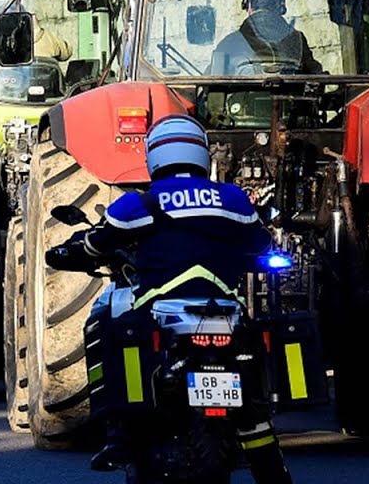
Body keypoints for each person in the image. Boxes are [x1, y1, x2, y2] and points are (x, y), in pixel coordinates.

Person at [46, 115, 292, 483]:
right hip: (226, 311)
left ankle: (118, 432)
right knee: (255, 412)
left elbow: (97, 243)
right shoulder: (233, 199)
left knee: (105, 320)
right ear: (202, 154)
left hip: (161, 312)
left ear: (154, 156)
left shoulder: (141, 202)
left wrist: (70, 251)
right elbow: (262, 244)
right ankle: (273, 473)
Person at [210, 0, 321, 75]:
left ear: (249, 7)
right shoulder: (298, 41)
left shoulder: (229, 43)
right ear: (281, 7)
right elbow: (315, 76)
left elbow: (211, 83)